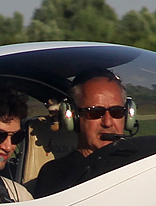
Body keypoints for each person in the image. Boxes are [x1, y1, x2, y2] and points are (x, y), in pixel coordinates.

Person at [33, 69, 131, 197]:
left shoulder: (139, 163)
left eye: (116, 112)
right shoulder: (57, 175)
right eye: (95, 112)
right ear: (73, 117)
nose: (107, 122)